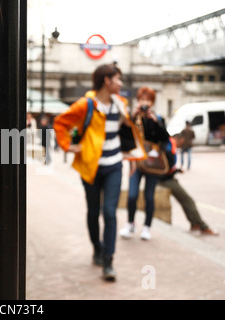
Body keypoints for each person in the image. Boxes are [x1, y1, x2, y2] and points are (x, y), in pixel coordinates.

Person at [53, 63, 140, 281]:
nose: (121, 83)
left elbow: (125, 133)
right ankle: (97, 249)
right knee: (93, 212)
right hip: (90, 166)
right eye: (117, 79)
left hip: (114, 165)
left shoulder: (121, 104)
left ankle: (109, 261)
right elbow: (60, 123)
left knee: (109, 213)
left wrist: (131, 158)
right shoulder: (86, 105)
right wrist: (68, 146)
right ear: (106, 81)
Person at [120, 87, 170, 241]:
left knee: (149, 196)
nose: (144, 104)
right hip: (136, 162)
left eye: (147, 101)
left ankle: (147, 227)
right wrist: (132, 116)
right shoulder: (133, 118)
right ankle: (130, 223)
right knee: (132, 194)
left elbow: (165, 138)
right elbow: (124, 134)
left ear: (152, 103)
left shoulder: (158, 118)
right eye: (142, 100)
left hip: (153, 163)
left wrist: (155, 122)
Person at [158, 134, 218, 235]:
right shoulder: (170, 144)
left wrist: (176, 170)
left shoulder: (167, 143)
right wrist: (174, 171)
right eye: (181, 142)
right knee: (188, 201)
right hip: (165, 180)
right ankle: (202, 226)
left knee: (186, 201)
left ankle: (195, 224)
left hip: (164, 178)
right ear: (179, 139)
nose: (182, 144)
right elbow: (166, 165)